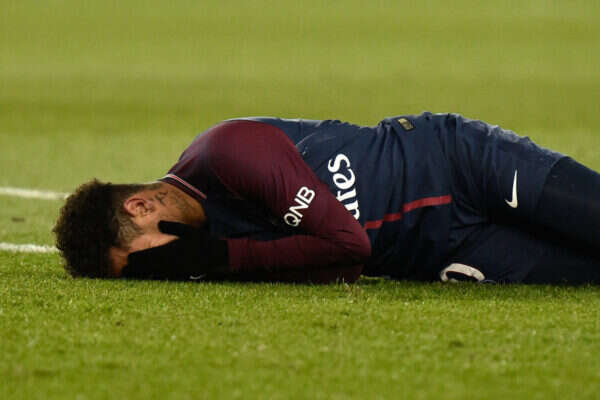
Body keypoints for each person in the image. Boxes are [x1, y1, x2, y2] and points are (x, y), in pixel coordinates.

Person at [53, 112, 600, 284]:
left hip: (465, 165)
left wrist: (223, 257)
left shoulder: (228, 153)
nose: (160, 270)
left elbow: (348, 244)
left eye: (144, 260)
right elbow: (344, 267)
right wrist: (219, 260)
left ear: (141, 206)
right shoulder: (208, 251)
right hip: (446, 249)